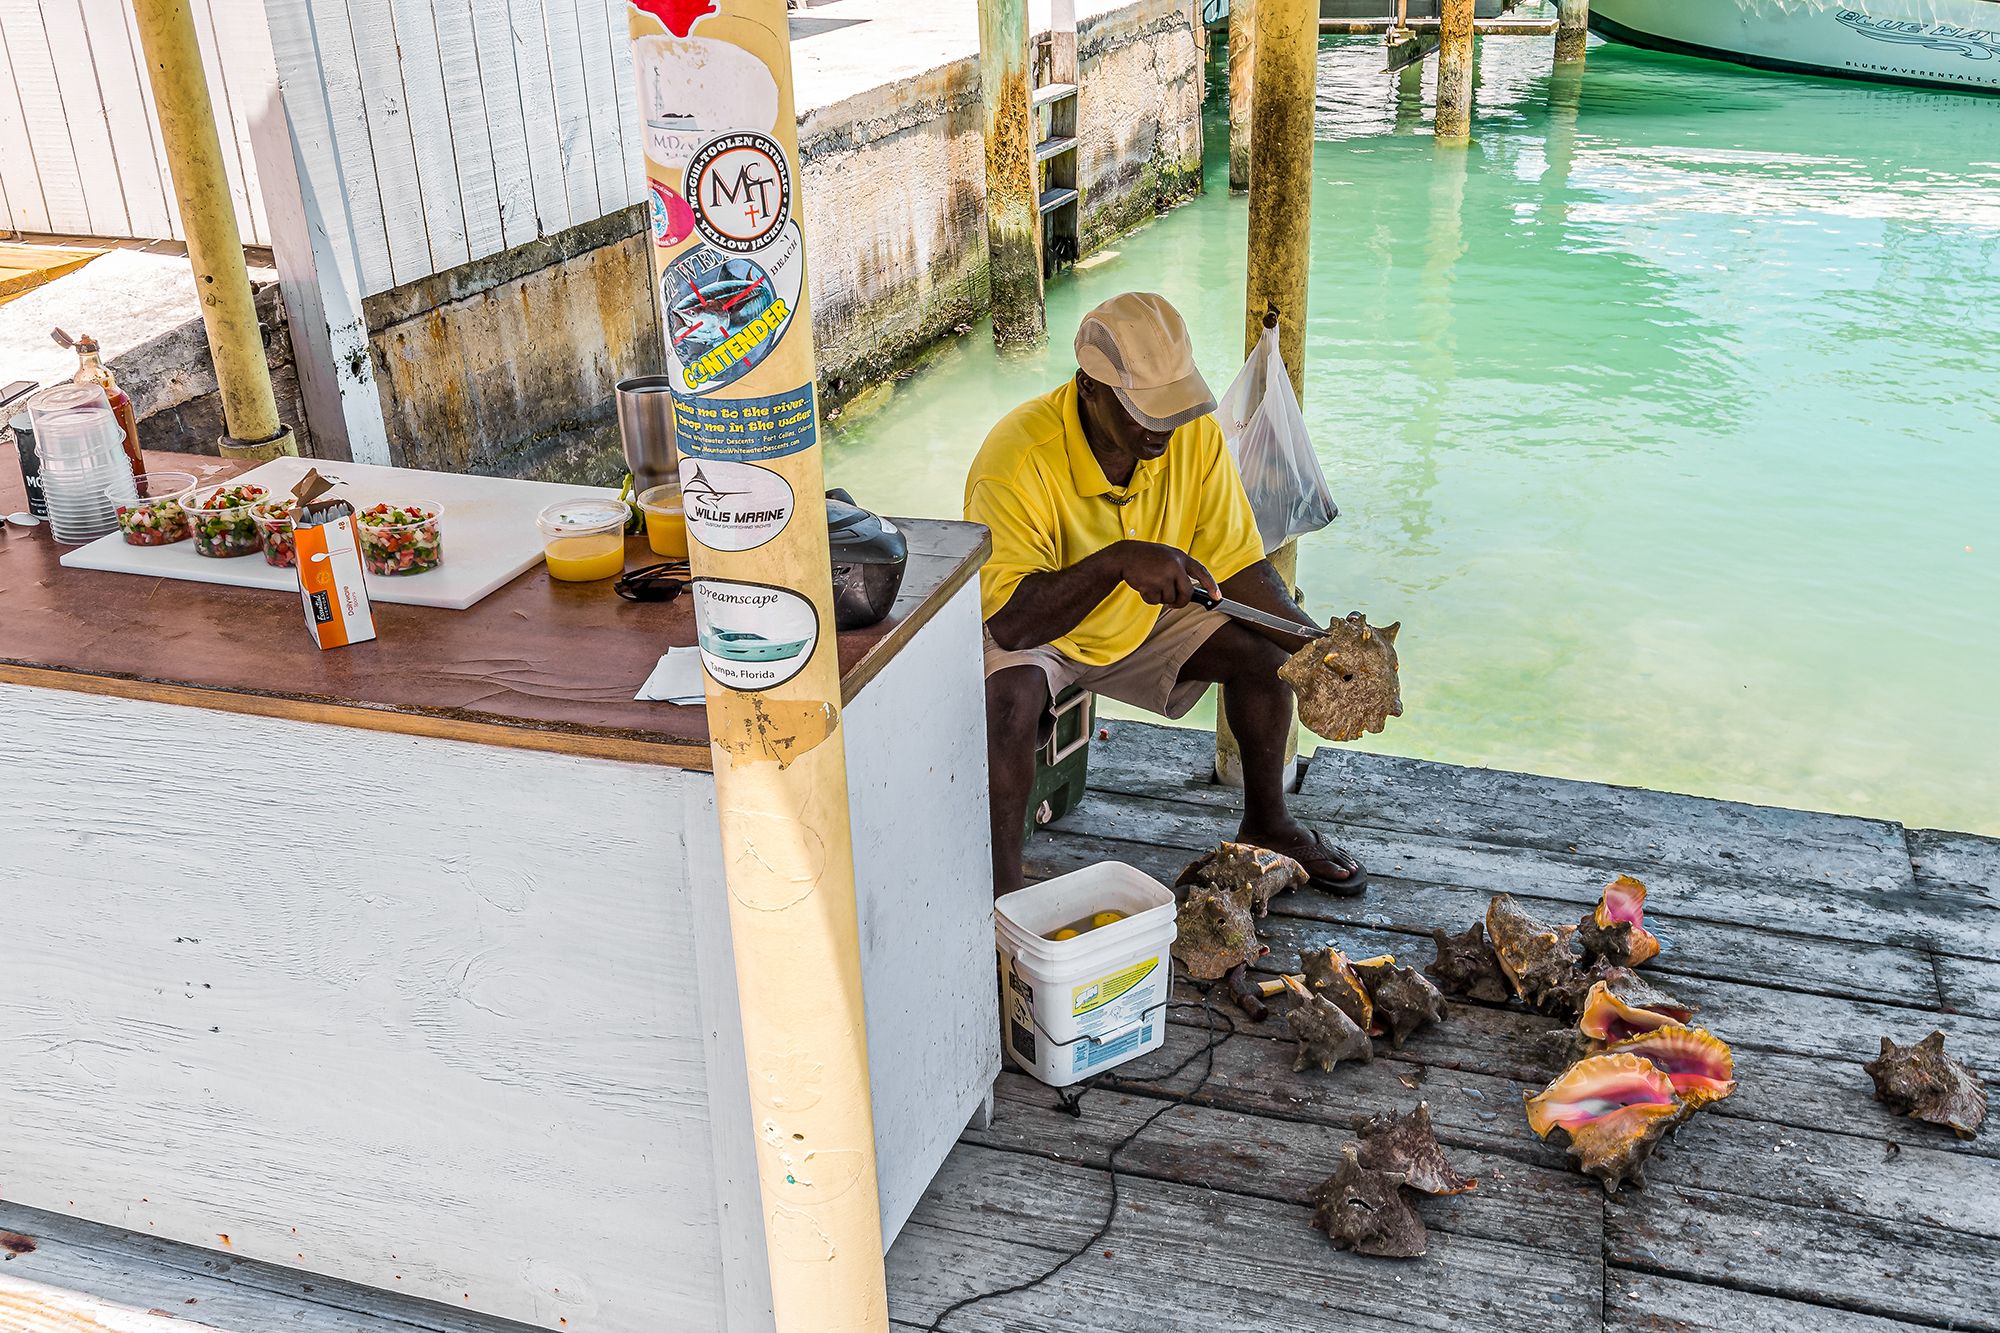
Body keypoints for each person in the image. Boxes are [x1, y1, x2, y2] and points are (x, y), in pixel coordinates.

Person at [966, 291, 1368, 898]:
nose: (1162, 427)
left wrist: (1321, 652)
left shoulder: (1193, 438)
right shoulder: (1015, 457)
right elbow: (1014, 623)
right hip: (1042, 624)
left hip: (1141, 619)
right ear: (1089, 388)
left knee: (1267, 660)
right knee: (1009, 702)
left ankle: (1268, 825)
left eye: (1173, 408)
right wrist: (1121, 564)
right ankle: (1000, 896)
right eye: (1143, 411)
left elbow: (1239, 569)